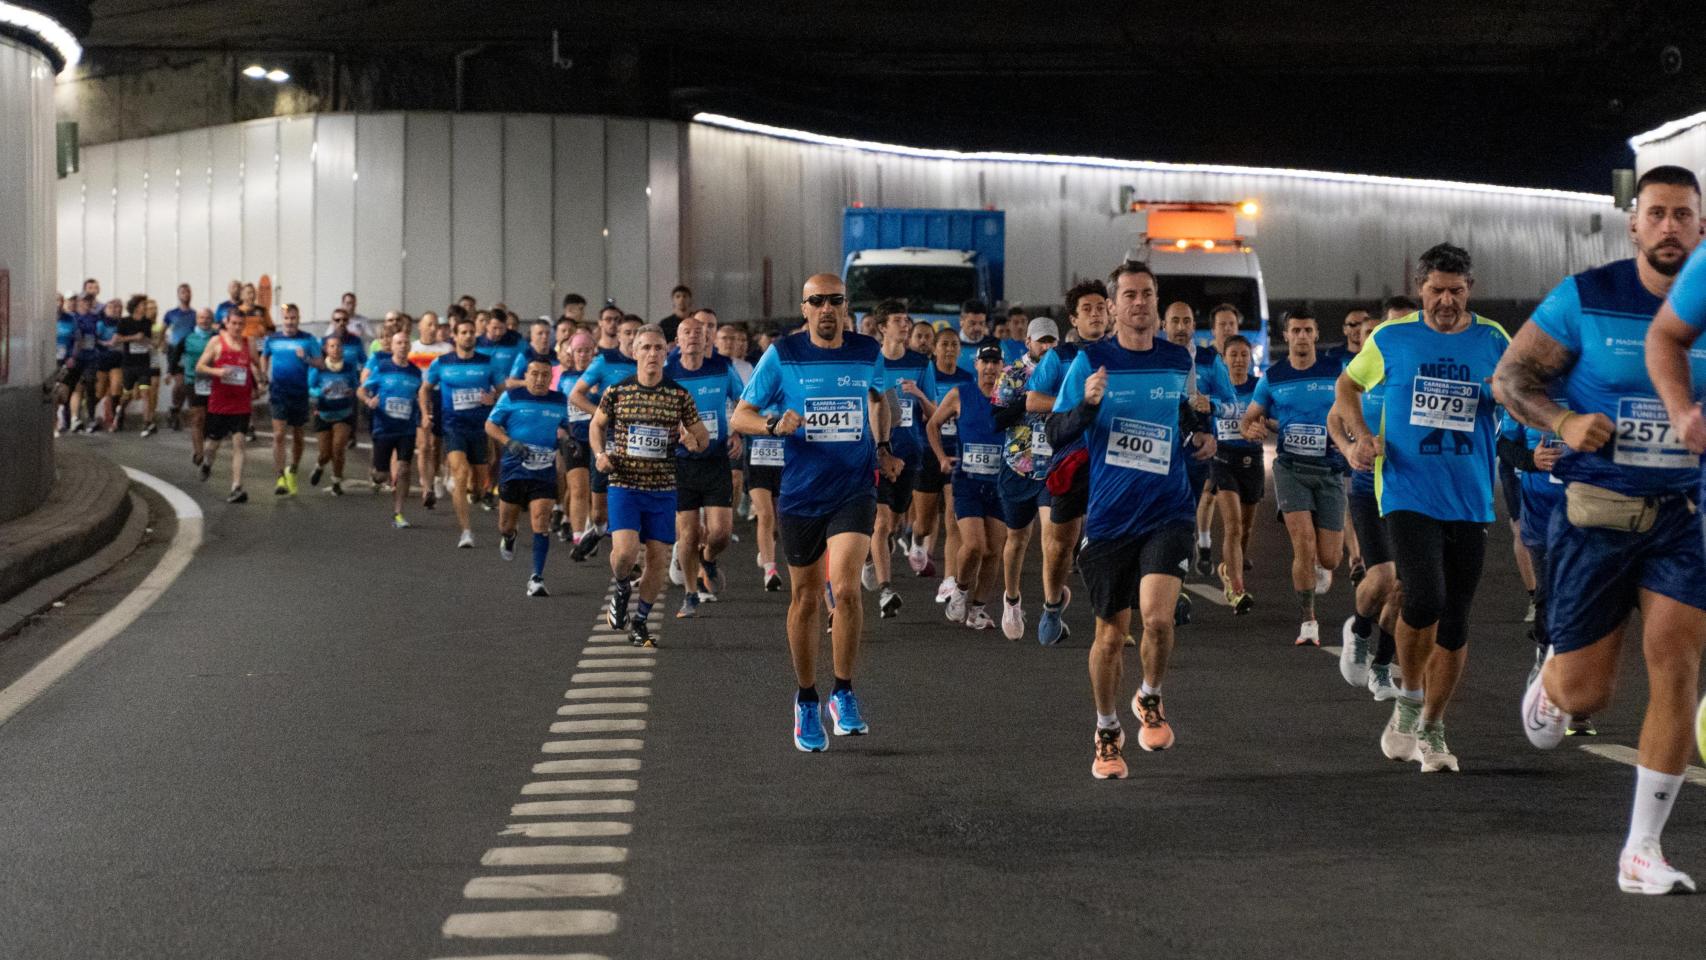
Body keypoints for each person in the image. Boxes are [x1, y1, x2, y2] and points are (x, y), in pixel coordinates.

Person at [1506, 164, 1706, 892]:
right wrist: (1562, 419)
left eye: (1683, 214)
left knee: (1677, 668)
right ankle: (1552, 682)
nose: (1669, 227)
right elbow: (1510, 379)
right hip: (1596, 517)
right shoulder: (1587, 298)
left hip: (1682, 518)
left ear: (1701, 226)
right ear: (1634, 225)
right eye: (1656, 213)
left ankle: (1641, 850)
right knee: (1587, 697)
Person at [1339, 242, 1508, 774]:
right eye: (1436, 290)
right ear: (1420, 289)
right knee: (1425, 596)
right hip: (1408, 491)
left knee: (1455, 622)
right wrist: (1361, 437)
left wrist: (1510, 397)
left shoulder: (1493, 340)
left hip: (1471, 497)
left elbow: (1521, 393)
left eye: (1456, 291)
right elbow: (1347, 386)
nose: (1446, 301)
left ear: (1470, 291)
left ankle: (1433, 727)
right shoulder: (1392, 338)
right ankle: (1408, 701)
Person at [1048, 260, 1215, 779]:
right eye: (1129, 296)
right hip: (1110, 518)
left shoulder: (1176, 358)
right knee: (1107, 637)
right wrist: (1089, 409)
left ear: (1156, 302)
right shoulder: (1090, 361)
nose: (1139, 303)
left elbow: (1188, 419)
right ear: (1113, 306)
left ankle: (1150, 695)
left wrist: (1204, 431)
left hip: (1168, 510)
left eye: (1147, 295)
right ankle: (1106, 729)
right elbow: (1056, 431)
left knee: (1159, 620)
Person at [730, 274, 903, 752]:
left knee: (845, 589)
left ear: (846, 306)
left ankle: (843, 692)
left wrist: (884, 446)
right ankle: (807, 698)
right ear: (804, 309)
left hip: (853, 489)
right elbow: (739, 415)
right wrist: (771, 423)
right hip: (802, 493)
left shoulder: (868, 351)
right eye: (817, 302)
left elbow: (877, 399)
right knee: (806, 599)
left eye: (835, 301)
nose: (827, 309)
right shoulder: (783, 355)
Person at [593, 325, 709, 642]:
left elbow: (703, 437)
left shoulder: (679, 395)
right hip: (624, 484)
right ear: (634, 352)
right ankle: (620, 589)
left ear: (667, 352)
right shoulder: (617, 392)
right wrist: (600, 454)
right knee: (627, 552)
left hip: (662, 488)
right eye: (645, 348)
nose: (653, 354)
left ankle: (641, 620)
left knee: (657, 559)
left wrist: (692, 441)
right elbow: (596, 425)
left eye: (658, 348)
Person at [1239, 309, 1345, 647]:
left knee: (1329, 557)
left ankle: (1321, 566)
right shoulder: (1273, 376)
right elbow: (1249, 419)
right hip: (1291, 469)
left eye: (1307, 330)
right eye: (1295, 330)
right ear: (1285, 336)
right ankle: (1308, 621)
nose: (1301, 336)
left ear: (1315, 335)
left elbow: (1353, 409)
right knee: (1302, 543)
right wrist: (1253, 428)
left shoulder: (1336, 372)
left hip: (1329, 470)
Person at [1331, 294, 1417, 699]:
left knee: (1404, 588)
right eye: (1391, 327)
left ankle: (1382, 667)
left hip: (1411, 490)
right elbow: (1335, 418)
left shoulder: (1420, 369)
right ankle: (1360, 628)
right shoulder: (1366, 373)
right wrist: (1352, 450)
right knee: (1381, 577)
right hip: (1369, 489)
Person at [1025, 279, 1110, 644]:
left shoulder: (1125, 353)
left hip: (1114, 460)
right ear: (1074, 320)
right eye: (1086, 310)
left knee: (1112, 537)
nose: (1095, 314)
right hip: (1070, 457)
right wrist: (1081, 404)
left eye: (1100, 307)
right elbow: (1032, 401)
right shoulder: (1058, 358)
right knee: (1060, 543)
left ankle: (1112, 617)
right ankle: (1052, 606)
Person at [664, 313, 744, 617]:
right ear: (678, 341)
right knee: (687, 534)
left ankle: (708, 559)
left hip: (715, 460)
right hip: (681, 464)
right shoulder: (668, 372)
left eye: (699, 333)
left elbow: (743, 401)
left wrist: (736, 430)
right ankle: (690, 593)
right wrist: (676, 432)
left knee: (721, 533)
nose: (694, 337)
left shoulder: (721, 368)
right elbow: (656, 412)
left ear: (707, 338)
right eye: (687, 333)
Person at [928, 345, 1012, 630]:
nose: (990, 368)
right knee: (975, 545)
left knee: (993, 552)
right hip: (967, 481)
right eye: (985, 362)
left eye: (995, 362)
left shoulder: (1011, 398)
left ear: (1003, 366)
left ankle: (977, 610)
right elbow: (933, 425)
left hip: (999, 484)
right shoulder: (960, 394)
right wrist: (941, 458)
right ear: (976, 365)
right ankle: (961, 590)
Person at [986, 317, 1059, 638]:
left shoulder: (1065, 370)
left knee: (1052, 538)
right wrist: (1028, 401)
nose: (1046, 347)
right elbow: (996, 418)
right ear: (1027, 341)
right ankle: (1012, 600)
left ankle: (1050, 607)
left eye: (1051, 341)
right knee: (1017, 539)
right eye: (1041, 341)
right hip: (1018, 465)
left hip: (1053, 466)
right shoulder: (1013, 373)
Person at [486, 356, 575, 597]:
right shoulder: (512, 397)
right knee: (505, 524)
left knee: (541, 520)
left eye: (545, 374)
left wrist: (567, 439)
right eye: (534, 373)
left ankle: (537, 577)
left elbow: (566, 427)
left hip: (543, 472)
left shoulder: (559, 400)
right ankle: (510, 536)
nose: (539, 379)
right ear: (526, 376)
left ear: (550, 378)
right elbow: (490, 425)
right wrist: (509, 441)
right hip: (514, 470)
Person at [867, 300, 933, 619]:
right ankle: (885, 590)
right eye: (898, 320)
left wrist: (919, 394)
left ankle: (871, 558)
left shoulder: (920, 363)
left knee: (892, 524)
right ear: (882, 327)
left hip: (910, 454)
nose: (905, 325)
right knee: (880, 522)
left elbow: (935, 414)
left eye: (907, 320)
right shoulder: (869, 363)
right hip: (875, 456)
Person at [1163, 301, 1236, 580]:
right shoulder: (1154, 358)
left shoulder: (1209, 360)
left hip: (1195, 454)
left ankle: (1176, 580)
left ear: (1194, 326)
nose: (1181, 328)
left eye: (1186, 321)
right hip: (1160, 449)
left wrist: (1212, 404)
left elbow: (1232, 405)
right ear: (1163, 325)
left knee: (1184, 519)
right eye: (1175, 321)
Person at [423, 315, 502, 548]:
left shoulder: (488, 362)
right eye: (463, 332)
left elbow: (503, 391)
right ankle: (466, 532)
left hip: (479, 428)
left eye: (471, 332)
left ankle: (476, 492)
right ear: (455, 337)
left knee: (477, 486)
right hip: (453, 426)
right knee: (460, 474)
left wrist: (493, 398)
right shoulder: (441, 363)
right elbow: (425, 388)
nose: (468, 336)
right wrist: (425, 412)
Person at [571, 315, 642, 559]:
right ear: (618, 335)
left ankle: (631, 559)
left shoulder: (652, 363)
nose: (632, 338)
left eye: (636, 333)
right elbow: (576, 395)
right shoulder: (604, 360)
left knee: (633, 502)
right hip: (606, 440)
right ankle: (598, 530)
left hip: (638, 442)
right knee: (600, 512)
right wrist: (602, 415)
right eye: (628, 332)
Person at [912, 326, 974, 595]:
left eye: (953, 345)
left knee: (952, 516)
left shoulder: (967, 380)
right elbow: (921, 416)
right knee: (925, 523)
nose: (949, 349)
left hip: (956, 453)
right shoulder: (927, 376)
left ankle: (949, 579)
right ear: (935, 349)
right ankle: (915, 540)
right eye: (944, 344)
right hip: (927, 452)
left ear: (960, 351)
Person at [1209, 335, 1261, 614]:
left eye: (1244, 354)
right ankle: (1236, 588)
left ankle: (1228, 568)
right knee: (1233, 525)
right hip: (1222, 460)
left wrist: (1264, 426)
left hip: (1252, 461)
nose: (1239, 360)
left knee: (1247, 529)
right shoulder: (1218, 389)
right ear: (1224, 358)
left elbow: (1274, 418)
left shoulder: (1258, 388)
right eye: (1234, 355)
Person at [195, 310, 266, 503]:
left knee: (239, 444)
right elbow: (200, 366)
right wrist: (217, 371)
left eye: (240, 324)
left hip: (241, 403)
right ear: (226, 323)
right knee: (212, 445)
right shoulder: (217, 342)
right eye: (233, 323)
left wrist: (260, 381)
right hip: (220, 403)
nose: (236, 328)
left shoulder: (248, 343)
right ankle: (207, 463)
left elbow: (254, 365)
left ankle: (236, 487)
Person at [362, 330, 425, 528]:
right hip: (384, 427)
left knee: (404, 468)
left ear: (409, 347)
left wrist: (423, 412)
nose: (403, 346)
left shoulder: (416, 373)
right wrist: (368, 400)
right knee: (380, 475)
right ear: (393, 346)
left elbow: (420, 395)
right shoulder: (382, 367)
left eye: (406, 343)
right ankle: (374, 471)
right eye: (399, 343)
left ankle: (398, 513)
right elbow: (361, 389)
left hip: (406, 428)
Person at [260, 304, 324, 496]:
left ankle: (293, 470)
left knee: (298, 435)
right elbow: (264, 357)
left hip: (299, 393)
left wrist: (306, 359)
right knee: (279, 434)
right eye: (287, 318)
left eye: (293, 318)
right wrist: (264, 373)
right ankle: (280, 477)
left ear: (298, 319)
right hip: (279, 392)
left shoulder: (308, 339)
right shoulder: (272, 339)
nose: (290, 322)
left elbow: (320, 363)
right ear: (282, 320)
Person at [556, 332, 597, 545]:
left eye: (587, 351)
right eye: (579, 351)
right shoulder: (565, 378)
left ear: (593, 352)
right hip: (573, 439)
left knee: (595, 490)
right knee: (578, 488)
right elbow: (558, 407)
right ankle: (578, 536)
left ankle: (594, 526)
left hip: (598, 438)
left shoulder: (600, 376)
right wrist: (559, 429)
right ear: (572, 353)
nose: (583, 355)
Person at [307, 335, 360, 495]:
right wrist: (321, 392)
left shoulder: (349, 367)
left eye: (338, 346)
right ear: (325, 349)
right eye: (332, 346)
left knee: (338, 449)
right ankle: (319, 466)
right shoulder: (318, 367)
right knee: (325, 453)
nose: (336, 349)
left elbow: (356, 385)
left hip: (343, 413)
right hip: (323, 412)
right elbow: (310, 388)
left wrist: (352, 391)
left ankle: (336, 481)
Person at [114, 296, 159, 436]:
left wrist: (146, 340)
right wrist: (134, 338)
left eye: (145, 304)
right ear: (135, 306)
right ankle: (119, 413)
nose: (145, 307)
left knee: (146, 392)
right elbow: (117, 339)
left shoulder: (147, 322)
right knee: (127, 394)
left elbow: (149, 339)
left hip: (144, 363)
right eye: (142, 304)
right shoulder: (125, 321)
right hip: (129, 364)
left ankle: (146, 423)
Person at [180, 309, 217, 465]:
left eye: (208, 318)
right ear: (197, 319)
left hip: (213, 381)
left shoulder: (217, 338)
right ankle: (198, 452)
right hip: (193, 380)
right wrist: (172, 372)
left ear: (212, 320)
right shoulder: (188, 337)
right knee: (197, 417)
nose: (204, 320)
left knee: (210, 418)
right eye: (201, 318)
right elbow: (175, 354)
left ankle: (205, 444)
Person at [163, 284, 197, 431]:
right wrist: (163, 344)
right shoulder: (171, 313)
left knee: (187, 385)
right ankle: (175, 409)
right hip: (175, 351)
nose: (186, 294)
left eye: (188, 291)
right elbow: (162, 330)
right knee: (179, 383)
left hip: (189, 351)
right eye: (183, 292)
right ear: (178, 295)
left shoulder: (195, 314)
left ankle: (175, 411)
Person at [955, 299, 1002, 369]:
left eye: (981, 323)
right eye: (972, 323)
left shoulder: (995, 344)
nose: (977, 328)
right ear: (961, 321)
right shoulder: (951, 345)